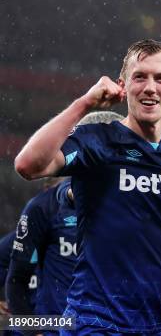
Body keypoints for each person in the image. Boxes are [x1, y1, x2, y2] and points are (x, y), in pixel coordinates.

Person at [13, 40, 161, 334]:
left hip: (159, 323)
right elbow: (28, 165)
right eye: (140, 76)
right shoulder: (97, 140)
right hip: (96, 321)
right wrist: (85, 103)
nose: (150, 87)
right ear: (123, 85)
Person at [5, 112, 123, 326]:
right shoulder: (44, 207)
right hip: (58, 326)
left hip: (117, 325)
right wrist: (33, 331)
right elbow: (17, 279)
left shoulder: (137, 203)